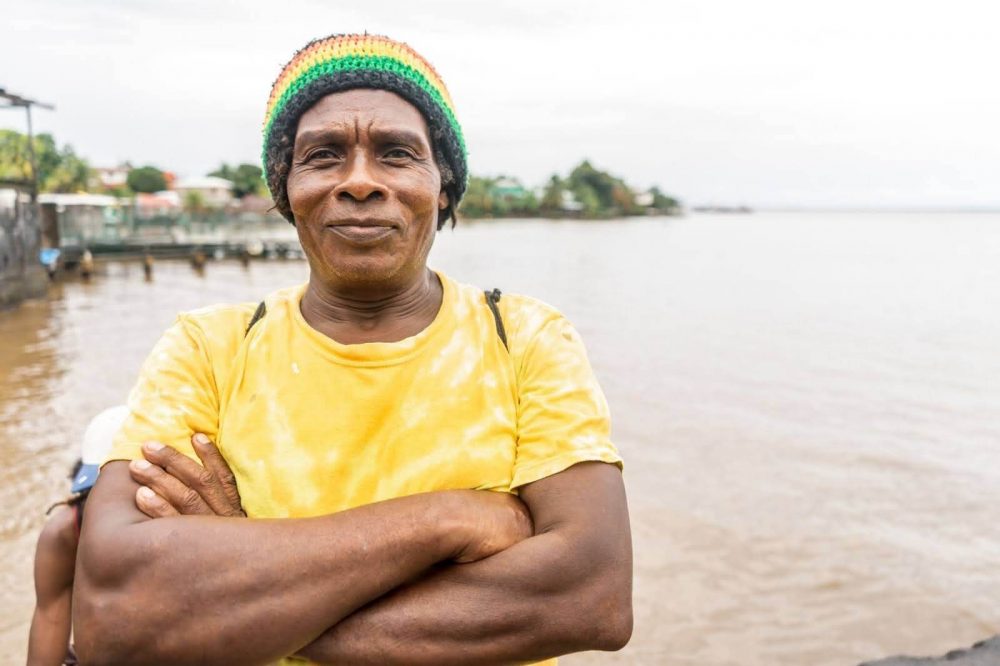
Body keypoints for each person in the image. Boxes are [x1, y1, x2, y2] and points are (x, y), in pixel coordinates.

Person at [74, 34, 632, 666]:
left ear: (442, 186)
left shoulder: (524, 339)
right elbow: (112, 616)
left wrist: (238, 596)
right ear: (286, 190)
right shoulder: (208, 349)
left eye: (397, 154)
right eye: (323, 155)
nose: (361, 182)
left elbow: (592, 599)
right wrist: (447, 519)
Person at [27, 406, 128, 666]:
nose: (109, 510)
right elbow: (50, 618)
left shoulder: (181, 524)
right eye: (98, 493)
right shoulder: (66, 532)